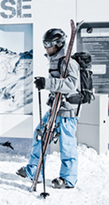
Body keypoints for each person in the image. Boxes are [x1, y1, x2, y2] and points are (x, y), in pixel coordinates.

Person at [17, 28, 80, 189]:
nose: (45, 47)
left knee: (66, 145)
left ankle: (68, 178)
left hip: (67, 111)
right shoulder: (54, 60)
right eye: (44, 43)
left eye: (48, 44)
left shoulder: (68, 62)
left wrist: (47, 83)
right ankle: (33, 170)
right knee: (40, 135)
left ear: (58, 44)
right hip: (55, 107)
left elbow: (72, 84)